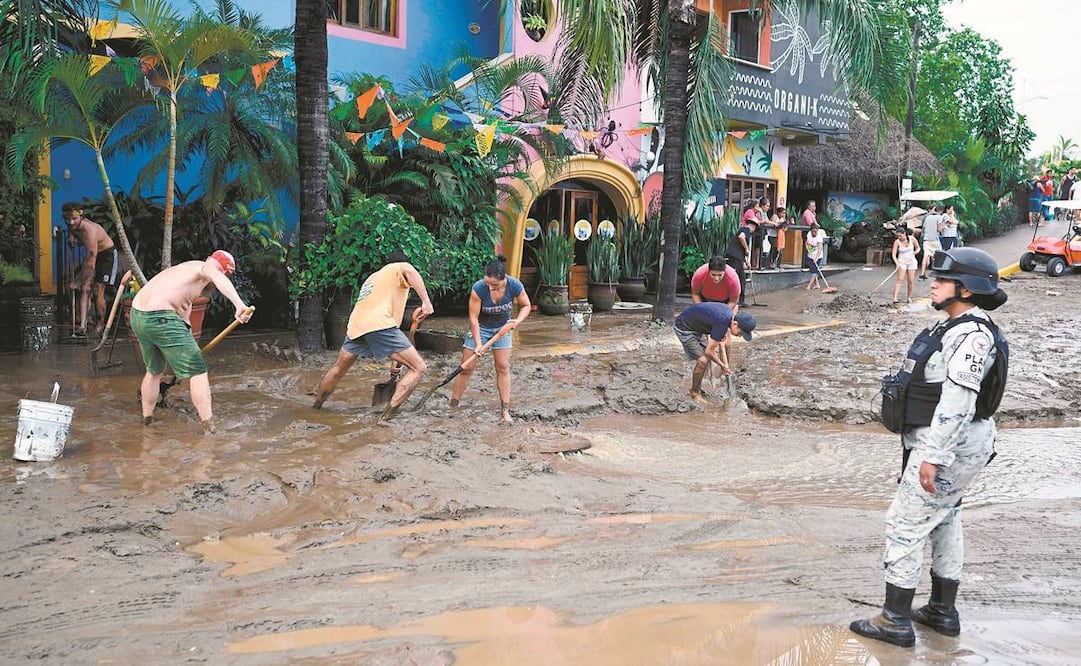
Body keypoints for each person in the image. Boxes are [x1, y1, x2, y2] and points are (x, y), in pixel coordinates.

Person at [850, 246, 1008, 648]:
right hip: (952, 443)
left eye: (941, 279)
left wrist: (932, 458)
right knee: (945, 518)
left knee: (904, 524)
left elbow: (957, 404)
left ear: (967, 290)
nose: (932, 283)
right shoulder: (956, 327)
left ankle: (894, 621)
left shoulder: (971, 336)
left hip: (948, 445)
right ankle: (941, 611)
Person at [130, 251, 252, 433]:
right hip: (161, 317)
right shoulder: (207, 270)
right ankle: (209, 427)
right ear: (225, 272)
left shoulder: (187, 269)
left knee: (154, 370)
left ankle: (147, 420)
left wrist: (187, 342)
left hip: (138, 316)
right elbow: (216, 275)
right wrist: (239, 305)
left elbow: (184, 310)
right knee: (198, 370)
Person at [312, 251, 435, 422]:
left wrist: (395, 362)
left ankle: (316, 407)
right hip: (378, 324)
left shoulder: (374, 279)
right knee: (419, 368)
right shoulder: (398, 268)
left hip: (357, 325)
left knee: (339, 368)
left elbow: (394, 329)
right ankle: (386, 418)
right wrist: (426, 302)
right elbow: (408, 269)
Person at [448, 255, 531, 423]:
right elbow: (473, 318)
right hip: (481, 328)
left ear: (504, 279)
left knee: (503, 367)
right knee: (467, 368)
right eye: (488, 284)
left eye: (495, 285)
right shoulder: (479, 288)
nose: (491, 288)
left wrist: (517, 321)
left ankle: (505, 411)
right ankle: (453, 406)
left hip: (503, 328)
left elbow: (526, 305)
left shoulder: (514, 285)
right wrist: (478, 343)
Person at [673, 301, 756, 405]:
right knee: (703, 360)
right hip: (684, 328)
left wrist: (721, 336)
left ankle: (698, 386)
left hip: (696, 327)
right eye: (740, 333)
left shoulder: (728, 315)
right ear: (735, 324)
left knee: (706, 359)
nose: (740, 336)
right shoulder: (722, 323)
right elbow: (709, 352)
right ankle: (695, 393)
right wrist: (722, 366)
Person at [63, 202, 119, 338]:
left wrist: (77, 282)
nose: (70, 222)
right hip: (93, 256)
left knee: (97, 291)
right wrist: (71, 237)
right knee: (85, 289)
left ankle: (100, 324)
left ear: (81, 217)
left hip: (107, 256)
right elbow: (71, 228)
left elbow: (90, 266)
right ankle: (83, 326)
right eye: (68, 219)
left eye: (74, 219)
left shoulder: (90, 232)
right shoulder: (73, 224)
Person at [725, 217, 757, 307]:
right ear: (753, 226)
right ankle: (736, 300)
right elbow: (741, 237)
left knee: (740, 278)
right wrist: (747, 248)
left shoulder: (744, 230)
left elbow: (743, 252)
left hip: (736, 257)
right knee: (737, 278)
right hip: (735, 257)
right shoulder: (746, 229)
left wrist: (747, 261)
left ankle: (740, 300)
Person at [891, 228, 917, 304]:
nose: (899, 238)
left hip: (911, 261)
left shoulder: (912, 239)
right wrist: (897, 263)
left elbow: (918, 248)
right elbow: (893, 254)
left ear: (904, 233)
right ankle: (895, 298)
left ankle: (909, 297)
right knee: (900, 279)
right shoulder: (897, 242)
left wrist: (914, 253)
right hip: (901, 262)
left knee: (910, 280)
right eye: (897, 236)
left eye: (900, 236)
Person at [918, 206, 943, 280]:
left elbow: (924, 228)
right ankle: (940, 273)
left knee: (925, 256)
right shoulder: (939, 217)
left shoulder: (927, 218)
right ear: (940, 211)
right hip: (935, 239)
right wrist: (942, 228)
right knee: (939, 255)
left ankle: (922, 275)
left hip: (926, 239)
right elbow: (939, 229)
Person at [803, 224, 825, 290]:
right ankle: (817, 284)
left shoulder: (819, 237)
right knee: (812, 270)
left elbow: (820, 249)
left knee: (814, 271)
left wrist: (816, 258)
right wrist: (807, 247)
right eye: (813, 231)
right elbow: (806, 242)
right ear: (811, 231)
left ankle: (809, 285)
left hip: (817, 256)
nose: (814, 233)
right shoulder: (809, 234)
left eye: (816, 232)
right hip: (810, 255)